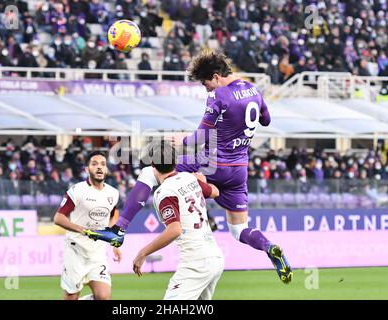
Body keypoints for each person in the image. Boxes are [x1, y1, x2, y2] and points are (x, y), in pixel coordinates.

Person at [88, 49, 293, 284]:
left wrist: (182, 140)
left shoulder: (218, 96)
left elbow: (200, 139)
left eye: (206, 84)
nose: (207, 89)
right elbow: (265, 120)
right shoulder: (253, 89)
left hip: (213, 161)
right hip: (239, 169)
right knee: (239, 230)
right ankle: (269, 247)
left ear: (216, 76)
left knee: (151, 172)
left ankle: (119, 230)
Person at [132, 141, 224, 300]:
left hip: (196, 263)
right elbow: (215, 192)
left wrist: (143, 252)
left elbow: (175, 230)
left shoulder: (165, 192)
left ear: (152, 164)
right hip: (215, 257)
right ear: (176, 162)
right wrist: (202, 182)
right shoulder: (189, 178)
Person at [54, 151, 121, 300]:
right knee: (71, 296)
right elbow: (58, 218)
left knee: (103, 297)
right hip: (75, 249)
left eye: (103, 164)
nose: (99, 167)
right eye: (94, 164)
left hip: (97, 253)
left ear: (106, 169)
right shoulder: (77, 191)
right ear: (86, 169)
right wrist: (82, 230)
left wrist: (114, 242)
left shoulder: (113, 193)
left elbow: (113, 215)